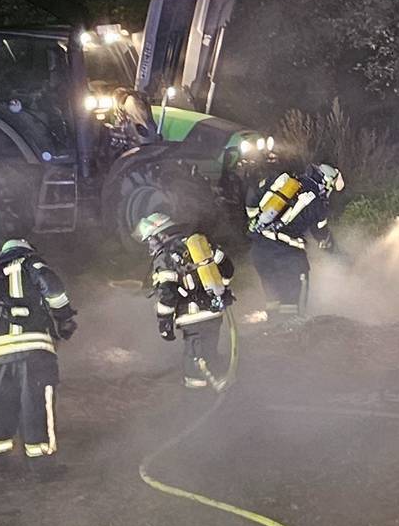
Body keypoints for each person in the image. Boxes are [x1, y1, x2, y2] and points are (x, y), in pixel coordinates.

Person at [0, 237, 77, 472]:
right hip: (33, 348)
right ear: (27, 250)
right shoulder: (32, 264)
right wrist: (64, 318)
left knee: (3, 403)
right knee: (36, 403)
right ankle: (42, 466)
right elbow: (55, 290)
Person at [138, 211, 234, 389]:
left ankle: (201, 401)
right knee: (209, 354)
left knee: (196, 363)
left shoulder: (165, 257)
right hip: (215, 313)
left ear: (162, 235)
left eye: (151, 239)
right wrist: (221, 290)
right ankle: (224, 390)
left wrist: (164, 324)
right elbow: (227, 268)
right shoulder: (200, 244)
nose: (150, 245)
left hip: (193, 318)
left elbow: (168, 293)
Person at [244, 161, 342, 323]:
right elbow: (322, 235)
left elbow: (254, 196)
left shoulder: (286, 182)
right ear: (326, 182)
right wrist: (336, 253)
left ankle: (273, 332)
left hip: (259, 251)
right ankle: (293, 338)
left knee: (273, 298)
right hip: (287, 256)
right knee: (293, 301)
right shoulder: (318, 203)